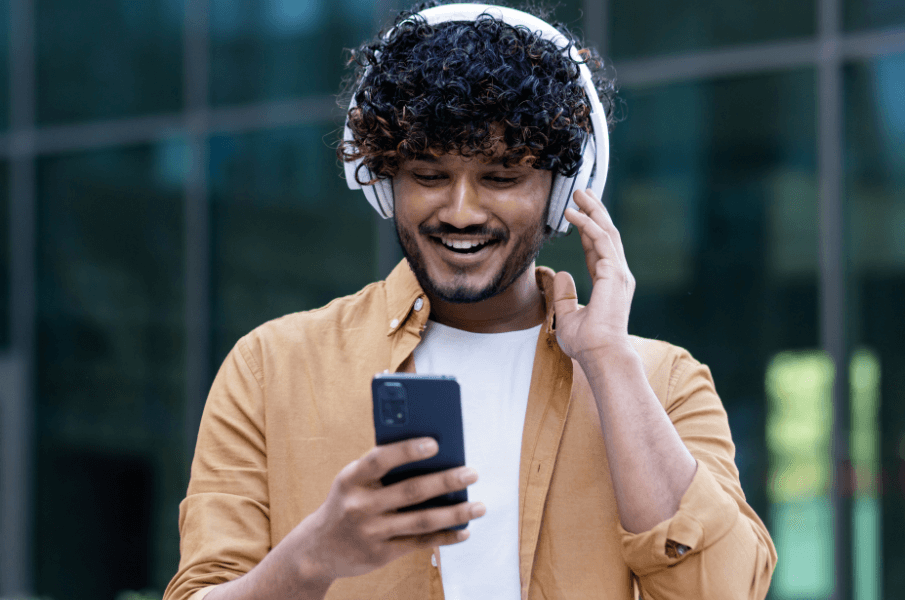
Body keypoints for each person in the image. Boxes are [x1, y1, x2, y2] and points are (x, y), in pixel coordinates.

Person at [165, 2, 776, 599]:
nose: (460, 211)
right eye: (428, 176)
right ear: (384, 183)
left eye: (502, 178)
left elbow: (724, 591)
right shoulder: (270, 368)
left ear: (563, 192)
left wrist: (610, 362)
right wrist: (314, 556)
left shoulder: (663, 382)